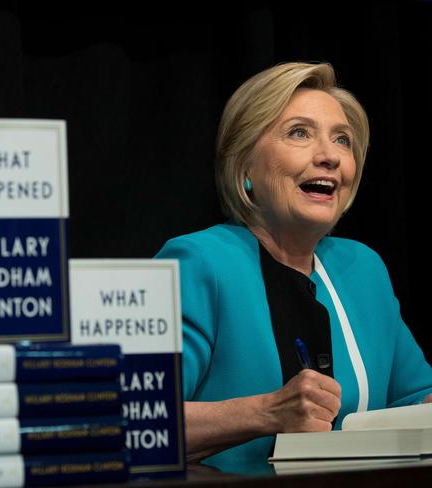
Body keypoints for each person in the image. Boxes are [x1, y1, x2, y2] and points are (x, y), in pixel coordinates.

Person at [156, 62, 432, 473]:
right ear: (245, 167)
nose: (330, 157)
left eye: (343, 140)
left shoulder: (363, 268)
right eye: (299, 133)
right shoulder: (199, 263)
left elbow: (417, 400)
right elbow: (134, 422)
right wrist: (266, 412)